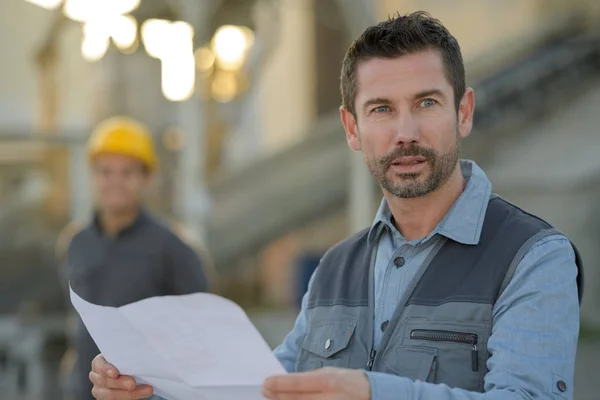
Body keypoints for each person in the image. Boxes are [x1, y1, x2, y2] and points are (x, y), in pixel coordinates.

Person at [87, 11, 584, 400]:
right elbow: (262, 389)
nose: (405, 132)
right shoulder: (333, 269)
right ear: (352, 129)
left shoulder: (533, 257)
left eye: (427, 103)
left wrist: (373, 392)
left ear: (464, 112)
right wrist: (148, 388)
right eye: (381, 109)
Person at [58, 116, 212, 400]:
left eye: (127, 173)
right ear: (93, 176)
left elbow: (201, 336)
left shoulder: (174, 248)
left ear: (146, 178)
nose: (114, 182)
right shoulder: (75, 242)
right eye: (105, 172)